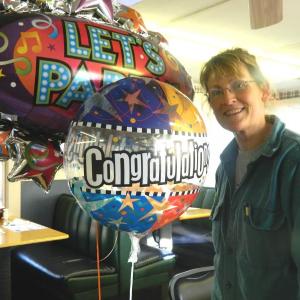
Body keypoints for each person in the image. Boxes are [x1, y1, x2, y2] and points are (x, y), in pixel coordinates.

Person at [199, 47, 300, 300]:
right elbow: (227, 258)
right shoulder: (224, 167)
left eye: (238, 84)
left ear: (264, 90)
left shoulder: (294, 162)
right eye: (216, 92)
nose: (228, 98)